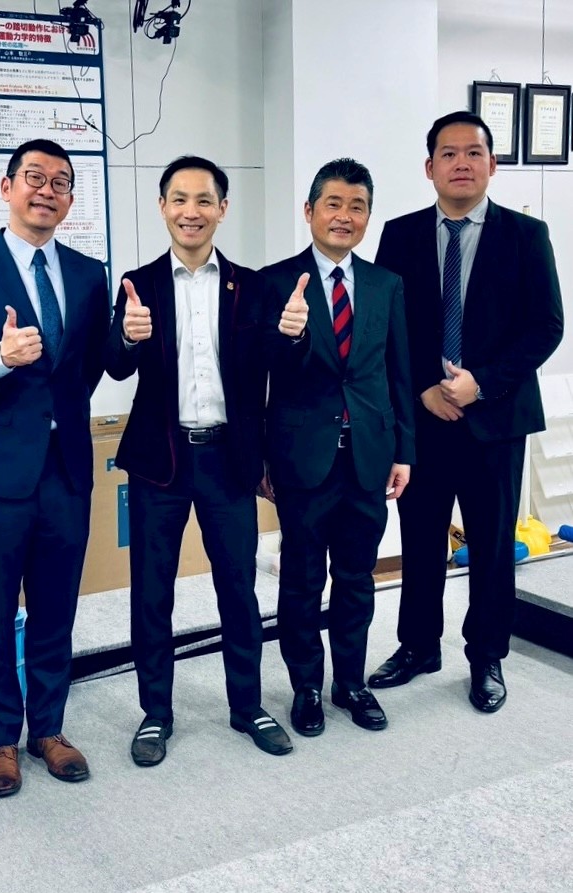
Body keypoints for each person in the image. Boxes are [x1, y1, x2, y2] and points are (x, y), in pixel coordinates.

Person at [0, 138, 109, 796]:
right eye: (34, 177)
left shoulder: (88, 274)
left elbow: (90, 366)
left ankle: (49, 729)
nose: (46, 191)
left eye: (60, 182)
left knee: (56, 608)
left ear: (69, 200)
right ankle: (0, 737)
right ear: (6, 188)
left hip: (66, 470)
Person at [106, 155, 300, 766]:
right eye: (179, 199)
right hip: (158, 463)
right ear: (162, 207)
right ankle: (155, 713)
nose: (191, 211)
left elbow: (276, 366)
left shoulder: (253, 286)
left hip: (228, 459)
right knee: (152, 591)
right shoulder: (138, 284)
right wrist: (127, 336)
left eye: (203, 200)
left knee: (237, 587)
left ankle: (248, 705)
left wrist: (294, 334)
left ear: (222, 209)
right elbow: (116, 365)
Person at [369, 111, 564, 712]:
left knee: (491, 543)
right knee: (421, 538)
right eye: (448, 154)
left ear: (492, 164)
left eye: (473, 153)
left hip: (496, 420)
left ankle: (487, 656)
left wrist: (482, 385)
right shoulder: (400, 234)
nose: (461, 163)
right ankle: (418, 645)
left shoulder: (526, 235)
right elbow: (388, 325)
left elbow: (546, 326)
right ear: (429, 167)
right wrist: (424, 389)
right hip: (424, 420)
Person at [260, 158, 415, 737]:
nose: (344, 216)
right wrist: (290, 335)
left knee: (357, 576)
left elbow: (398, 373)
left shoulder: (385, 284)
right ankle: (305, 686)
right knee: (302, 578)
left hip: (368, 455)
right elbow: (258, 375)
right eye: (333, 204)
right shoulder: (276, 282)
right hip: (303, 458)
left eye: (357, 207)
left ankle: (350, 682)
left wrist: (404, 451)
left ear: (368, 216)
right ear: (309, 211)